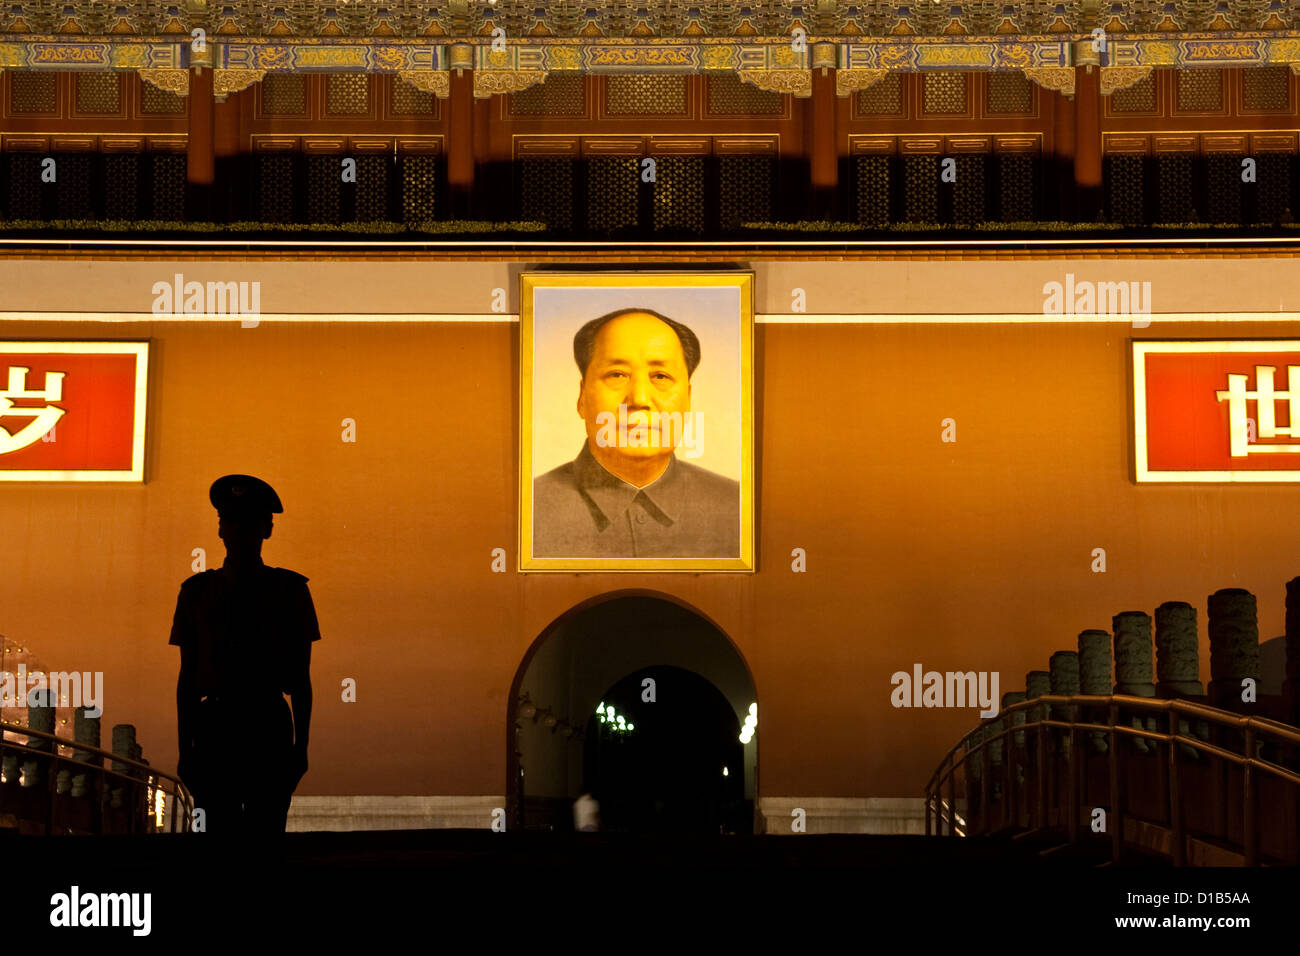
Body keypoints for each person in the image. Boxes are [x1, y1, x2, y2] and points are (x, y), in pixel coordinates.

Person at [169, 474, 321, 834]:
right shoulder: (195, 591)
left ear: (266, 529)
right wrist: (185, 749)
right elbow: (187, 679)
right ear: (220, 529)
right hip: (215, 728)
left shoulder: (291, 591)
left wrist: (301, 750)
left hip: (267, 725)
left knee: (264, 841)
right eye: (230, 521)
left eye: (249, 522)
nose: (238, 530)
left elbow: (301, 680)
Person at [533, 308, 739, 558]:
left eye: (661, 376)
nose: (640, 399)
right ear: (582, 398)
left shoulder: (737, 508)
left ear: (688, 399)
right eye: (617, 375)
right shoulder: (530, 510)